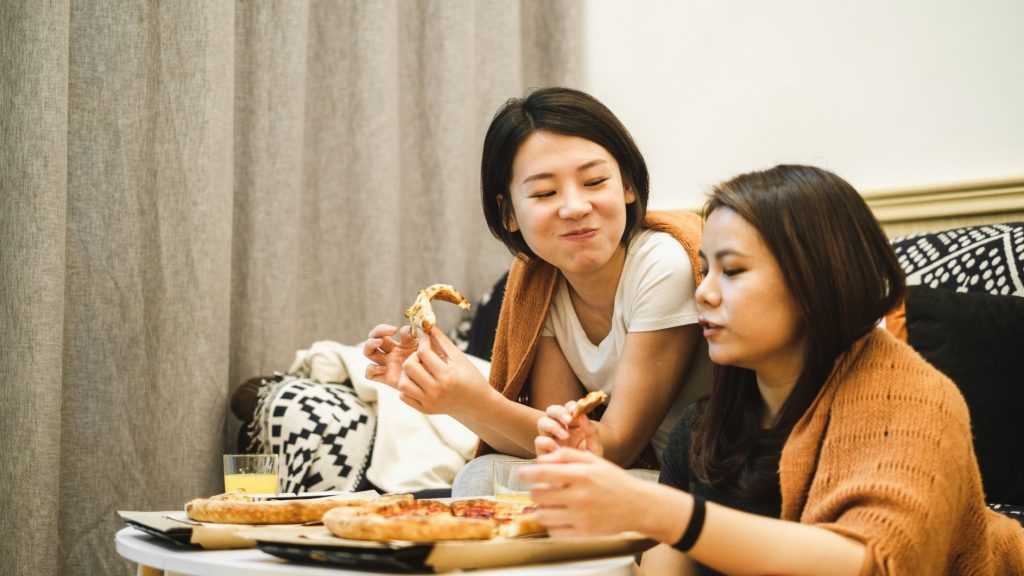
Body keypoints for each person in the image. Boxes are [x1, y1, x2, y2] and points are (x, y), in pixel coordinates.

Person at [519, 165, 1024, 575]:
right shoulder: (702, 430)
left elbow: (875, 562)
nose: (704, 292)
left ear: (817, 281)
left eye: (732, 271)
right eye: (705, 268)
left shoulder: (916, 400)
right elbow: (663, 565)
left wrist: (656, 509)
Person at [363, 87, 712, 495]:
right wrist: (448, 394)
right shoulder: (539, 282)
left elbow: (615, 445)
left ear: (628, 186)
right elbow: (555, 443)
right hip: (626, 475)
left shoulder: (663, 264)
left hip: (699, 481)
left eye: (595, 181)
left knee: (509, 485)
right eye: (545, 193)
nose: (575, 206)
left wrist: (472, 398)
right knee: (485, 474)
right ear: (509, 212)